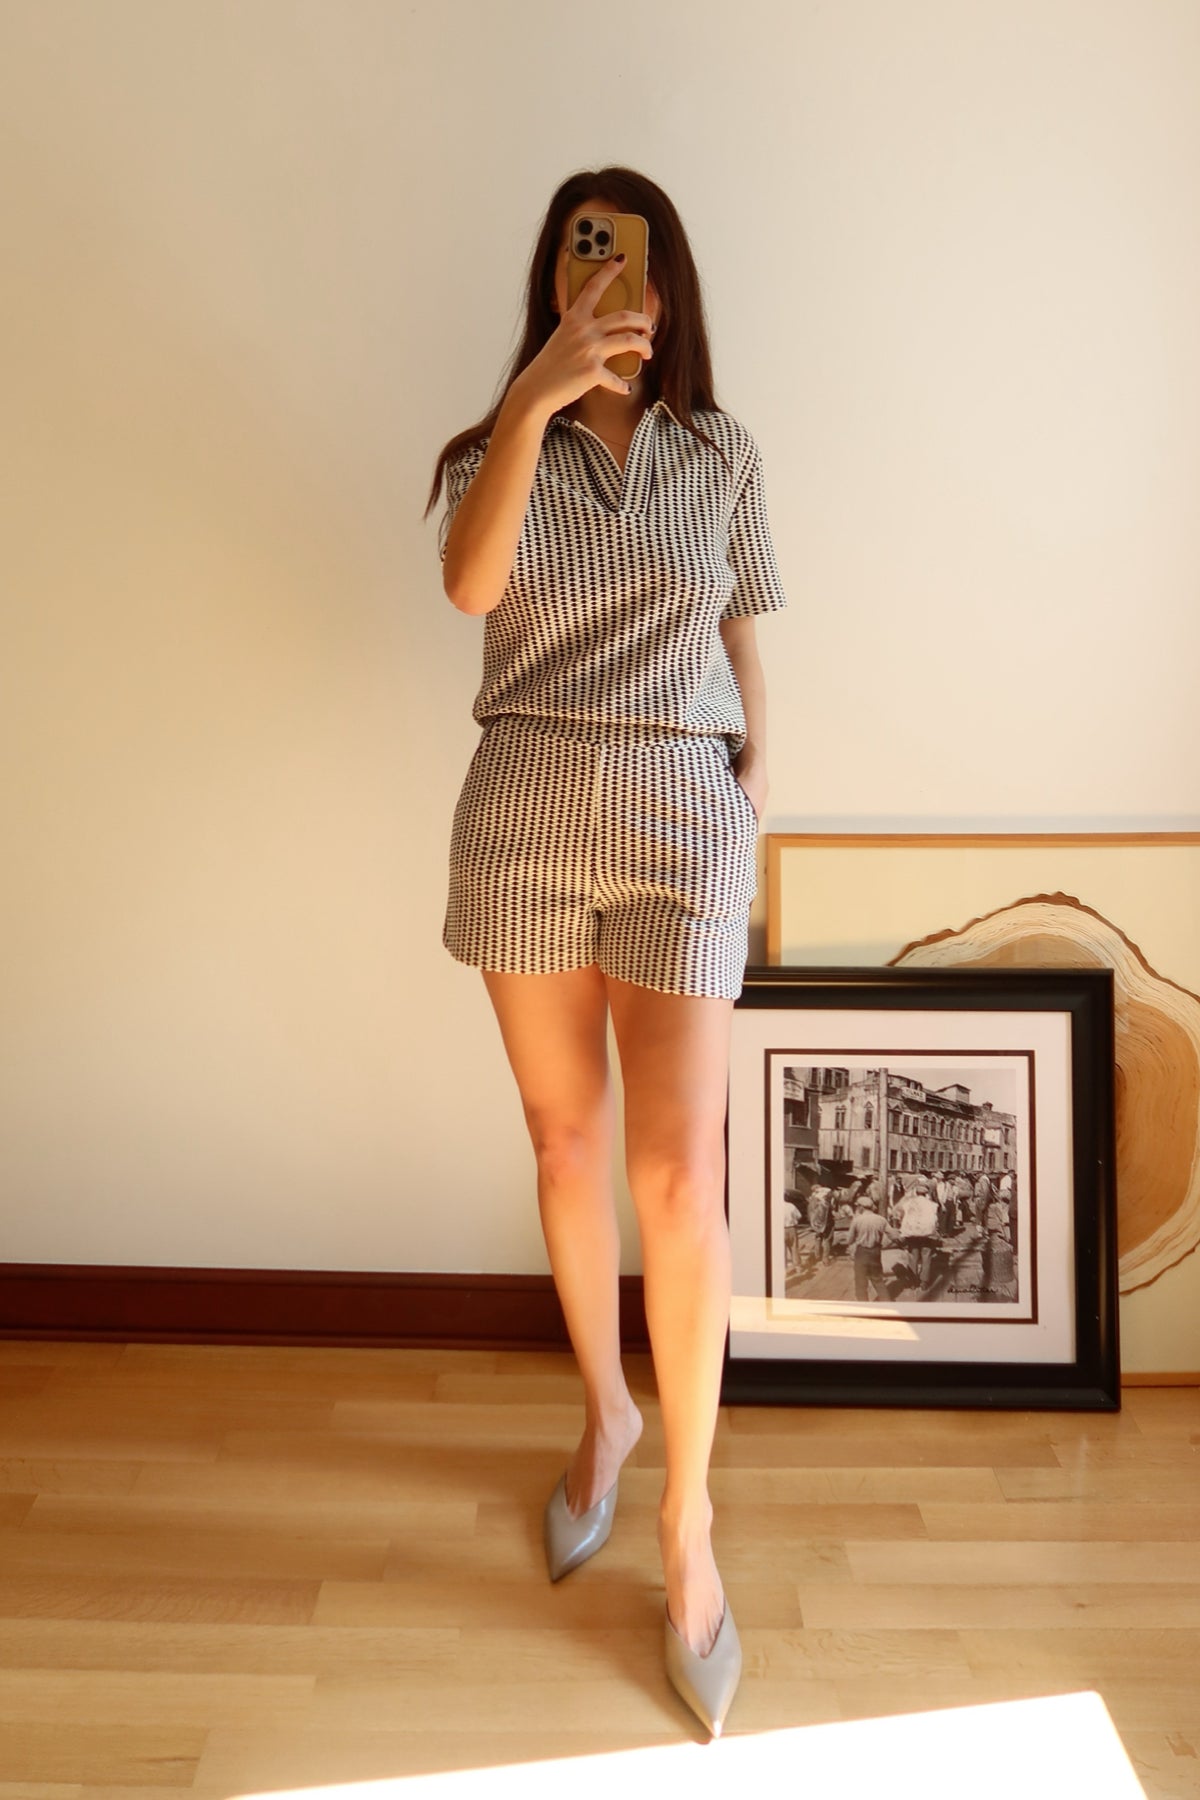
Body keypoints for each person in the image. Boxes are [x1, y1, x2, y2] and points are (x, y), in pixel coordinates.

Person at [427, 166, 787, 1736]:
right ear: (555, 279)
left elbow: (743, 619)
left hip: (684, 814)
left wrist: (759, 766)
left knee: (680, 1182)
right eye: (583, 259)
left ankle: (688, 1520)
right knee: (566, 1145)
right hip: (526, 801)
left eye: (627, 260)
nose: (607, 281)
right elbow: (470, 585)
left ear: (665, 280)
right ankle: (606, 1417)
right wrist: (535, 396)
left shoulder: (722, 451)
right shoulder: (491, 447)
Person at [847, 1185, 890, 1302]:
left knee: (861, 1281)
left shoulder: (857, 1220)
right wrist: (883, 1243)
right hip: (875, 1251)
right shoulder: (881, 1219)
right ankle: (886, 1301)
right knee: (878, 1279)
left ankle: (863, 1304)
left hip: (862, 1252)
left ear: (861, 1207)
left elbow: (849, 1240)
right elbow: (892, 1234)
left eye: (858, 1206)